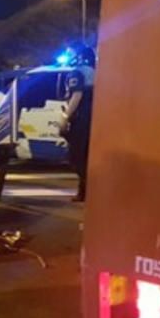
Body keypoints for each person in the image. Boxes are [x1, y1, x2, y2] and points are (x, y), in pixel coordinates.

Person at [61, 46, 96, 202]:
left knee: (77, 157)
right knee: (86, 157)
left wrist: (66, 117)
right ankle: (84, 192)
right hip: (92, 118)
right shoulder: (95, 72)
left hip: (81, 118)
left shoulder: (77, 73)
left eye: (71, 53)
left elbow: (76, 95)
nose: (69, 56)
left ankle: (86, 192)